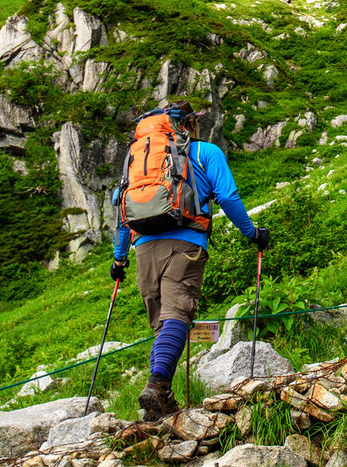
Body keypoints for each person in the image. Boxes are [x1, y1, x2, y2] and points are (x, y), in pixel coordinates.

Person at [111, 101, 269, 420]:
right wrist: (252, 233)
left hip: (142, 249)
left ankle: (161, 405)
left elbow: (120, 210)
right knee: (178, 316)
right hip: (185, 243)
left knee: (163, 324)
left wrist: (119, 260)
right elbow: (227, 197)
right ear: (187, 125)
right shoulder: (204, 152)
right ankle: (157, 385)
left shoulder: (138, 163)